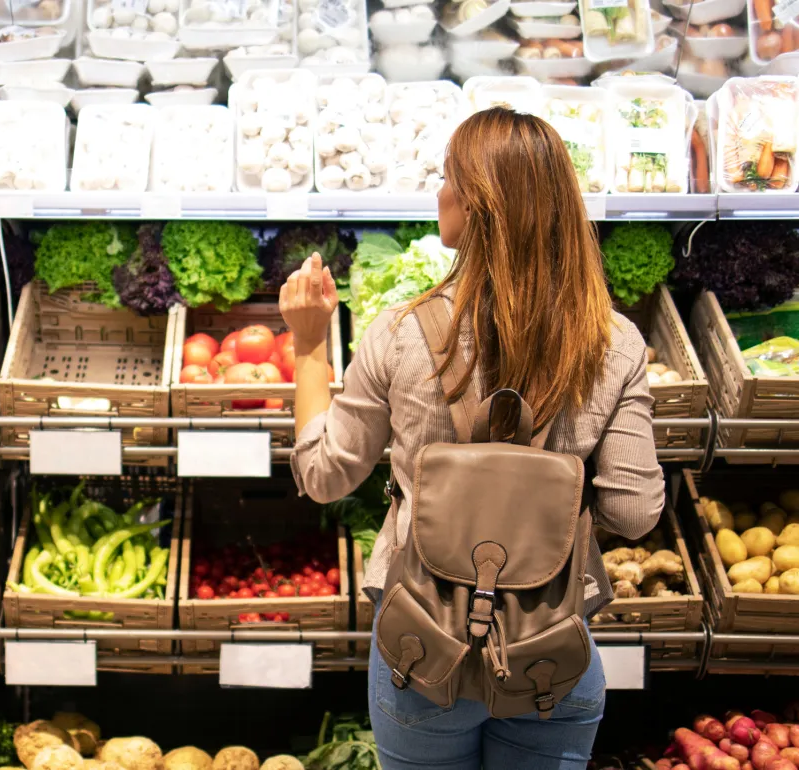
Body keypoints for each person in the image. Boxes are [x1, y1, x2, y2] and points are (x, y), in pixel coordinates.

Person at [276, 107, 665, 769]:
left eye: (448, 177)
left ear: (477, 206)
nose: (439, 192)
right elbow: (633, 513)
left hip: (421, 653)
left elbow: (324, 476)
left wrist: (310, 346)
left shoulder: (399, 333)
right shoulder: (613, 343)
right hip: (551, 653)